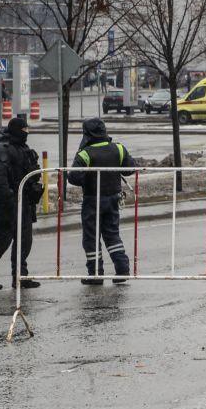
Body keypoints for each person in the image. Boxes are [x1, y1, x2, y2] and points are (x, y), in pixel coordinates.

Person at [0, 118, 43, 291]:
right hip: (8, 202)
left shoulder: (24, 148)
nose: (26, 133)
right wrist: (9, 197)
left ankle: (20, 276)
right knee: (2, 239)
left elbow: (33, 172)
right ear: (16, 130)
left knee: (25, 241)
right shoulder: (1, 149)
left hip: (26, 201)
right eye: (24, 130)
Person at [67, 119, 135, 285]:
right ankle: (122, 269)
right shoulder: (118, 148)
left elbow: (73, 177)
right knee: (112, 235)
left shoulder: (85, 153)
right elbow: (130, 168)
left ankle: (96, 274)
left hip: (93, 200)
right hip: (113, 199)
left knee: (91, 238)